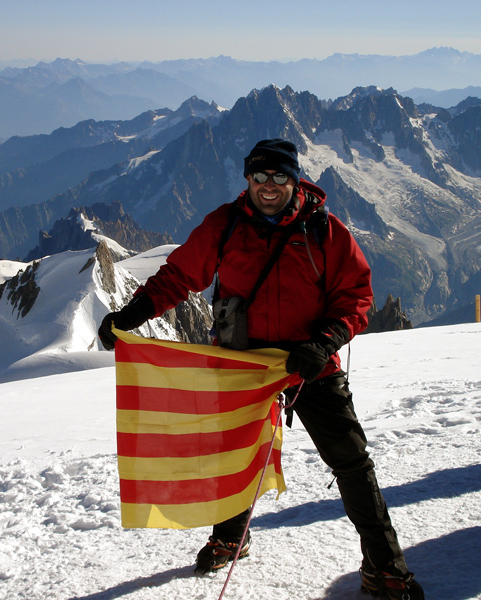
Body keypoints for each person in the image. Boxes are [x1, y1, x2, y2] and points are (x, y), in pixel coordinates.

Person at [98, 139, 424, 599]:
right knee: (232, 454)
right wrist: (131, 315)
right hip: (242, 361)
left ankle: (385, 566)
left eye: (279, 177)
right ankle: (232, 536)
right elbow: (180, 275)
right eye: (260, 177)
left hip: (309, 360)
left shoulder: (325, 232)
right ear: (248, 179)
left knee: (351, 461)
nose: (269, 187)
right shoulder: (225, 225)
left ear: (295, 180)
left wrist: (325, 342)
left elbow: (355, 296)